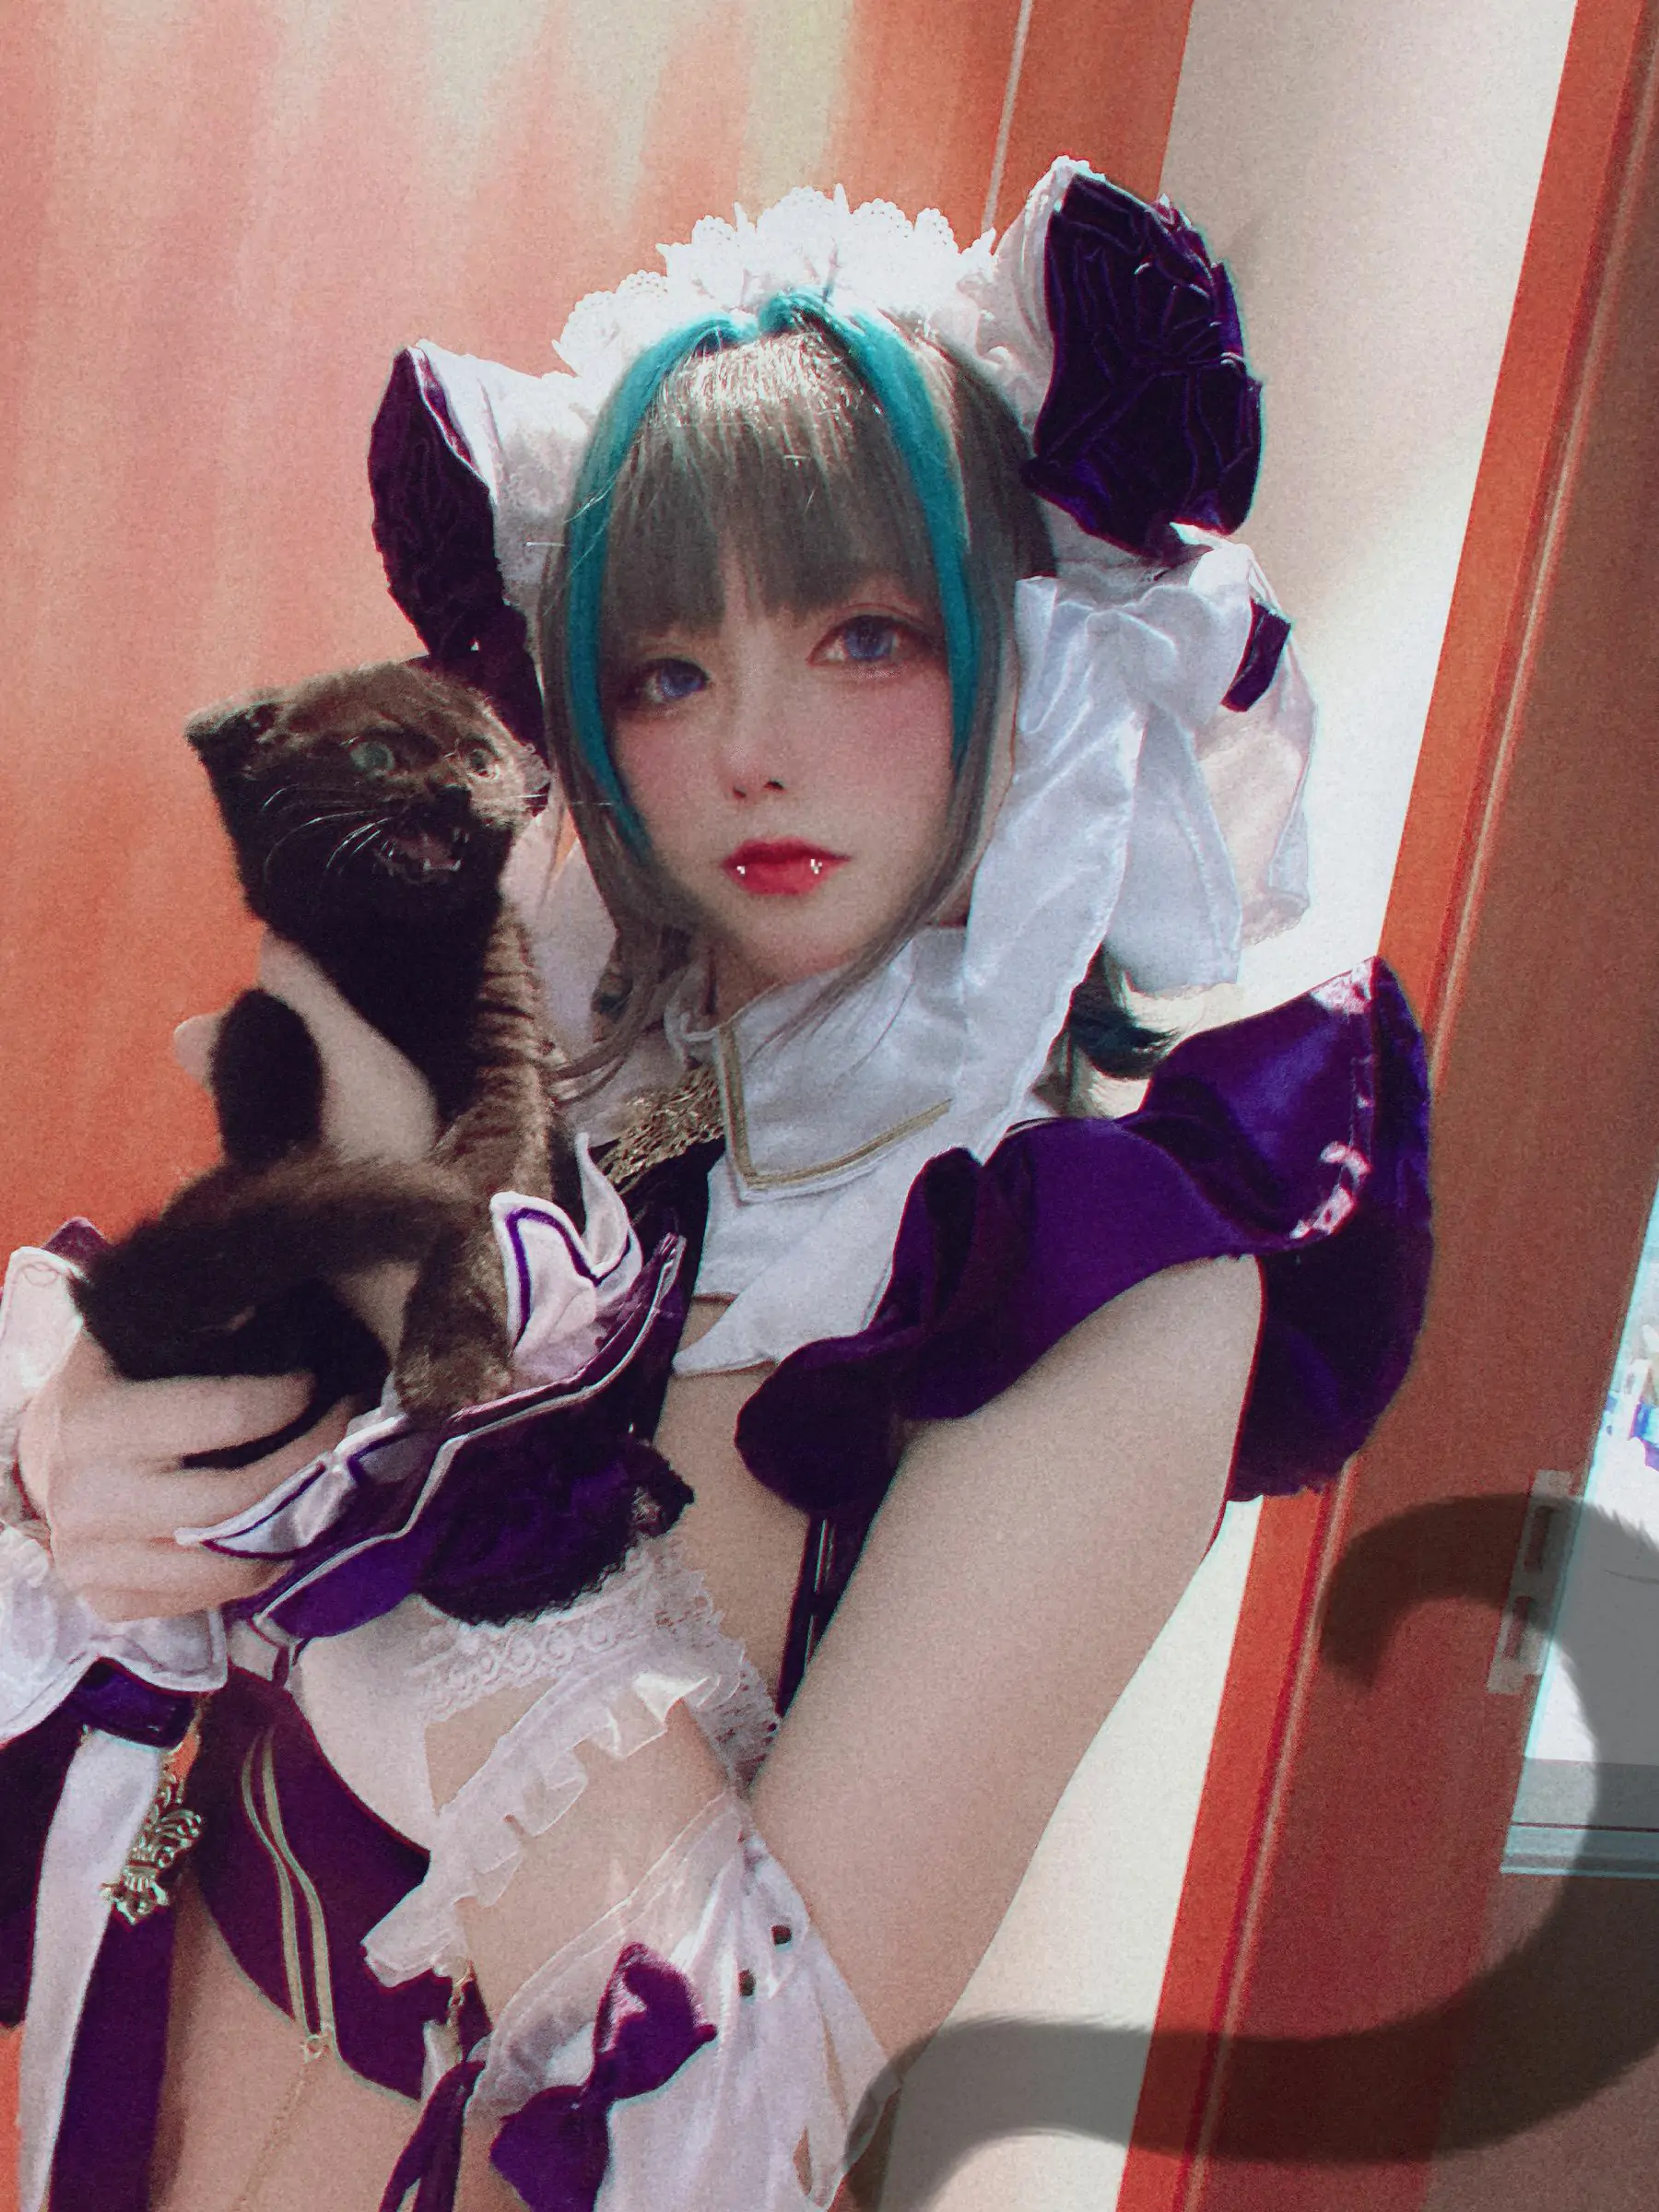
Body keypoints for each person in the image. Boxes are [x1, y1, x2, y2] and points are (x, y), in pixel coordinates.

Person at [0, 162, 1430, 2211]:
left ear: (1032, 652)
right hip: (143, 2116)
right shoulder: (535, 1047)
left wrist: (481, 1502)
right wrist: (67, 1459)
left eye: (864, 636)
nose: (752, 746)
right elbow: (159, 1556)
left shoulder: (1107, 1284)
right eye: (666, 668)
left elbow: (727, 2131)